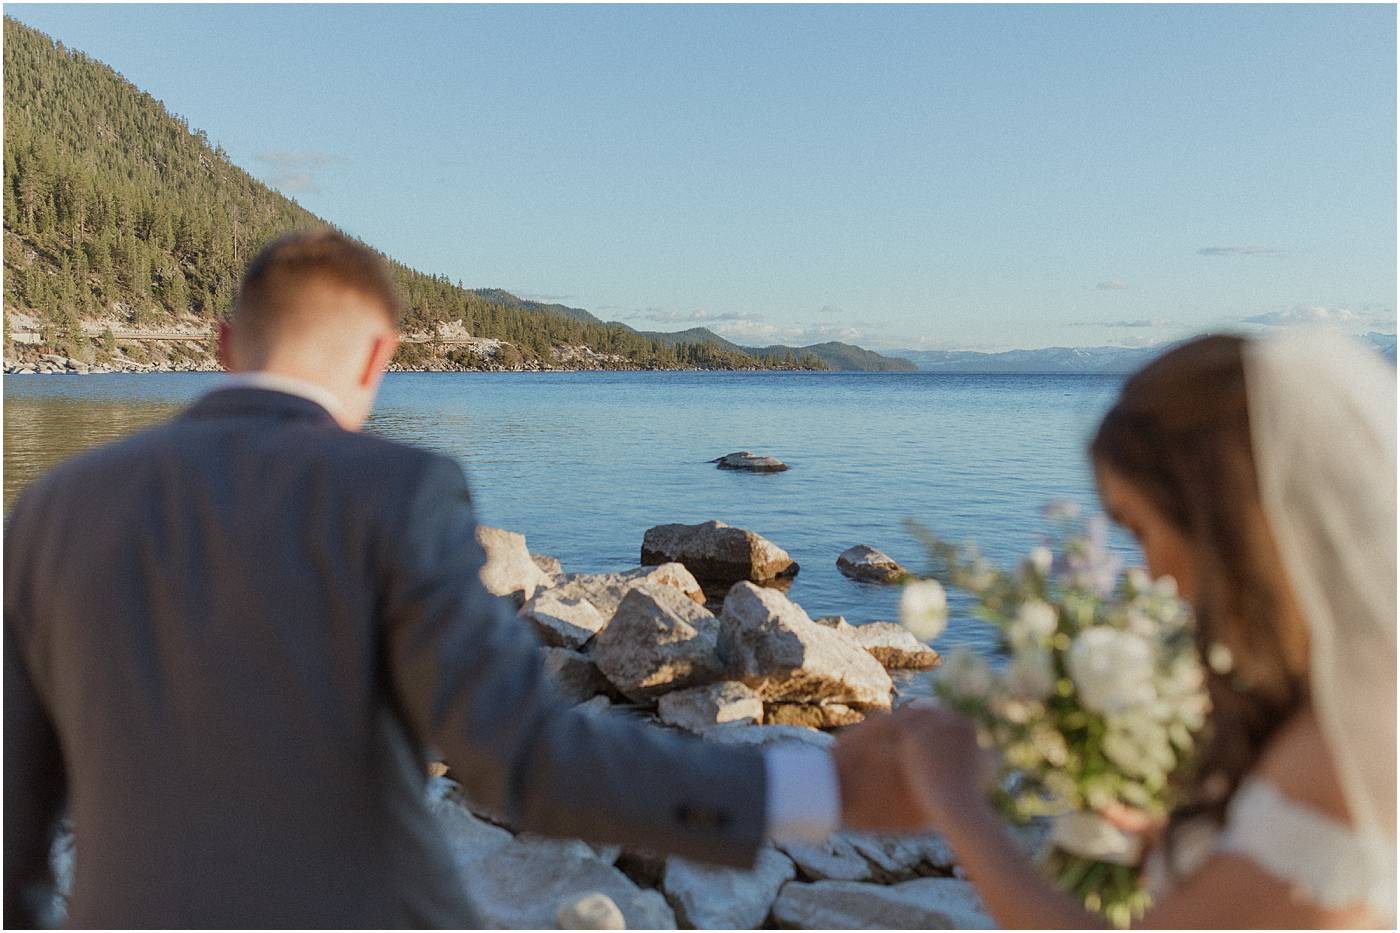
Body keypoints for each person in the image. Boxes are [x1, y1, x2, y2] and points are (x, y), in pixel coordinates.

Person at [3, 229, 926, 928]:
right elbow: (518, 759)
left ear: (220, 343)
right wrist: (813, 792)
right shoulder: (398, 491)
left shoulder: (52, 508)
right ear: (378, 358)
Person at [893, 332, 1397, 927]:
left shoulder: (1344, 747)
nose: (1150, 571)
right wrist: (1175, 844)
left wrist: (956, 805)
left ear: (1221, 520)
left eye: (1140, 529)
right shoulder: (1350, 698)